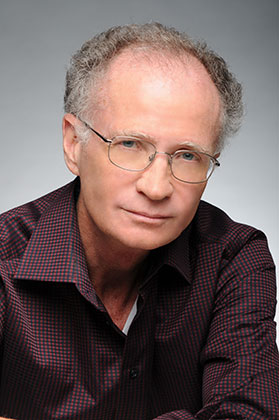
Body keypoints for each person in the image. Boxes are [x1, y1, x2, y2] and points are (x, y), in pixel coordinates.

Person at [0, 22, 278, 420]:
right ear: (73, 144)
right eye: (130, 145)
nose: (157, 186)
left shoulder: (233, 259)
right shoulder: (4, 258)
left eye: (187, 155)